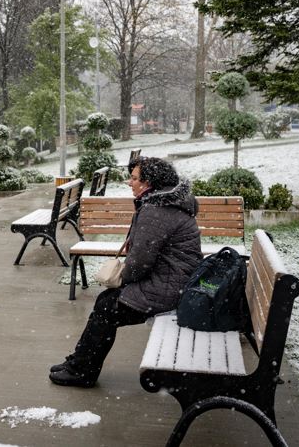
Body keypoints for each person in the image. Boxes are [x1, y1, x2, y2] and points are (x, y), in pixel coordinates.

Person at [49, 156, 203, 387]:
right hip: (174, 282)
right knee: (107, 303)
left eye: (134, 178)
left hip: (168, 289)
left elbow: (139, 263)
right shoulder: (167, 204)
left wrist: (124, 279)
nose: (129, 183)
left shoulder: (157, 211)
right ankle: (80, 362)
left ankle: (82, 371)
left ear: (149, 182)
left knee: (107, 307)